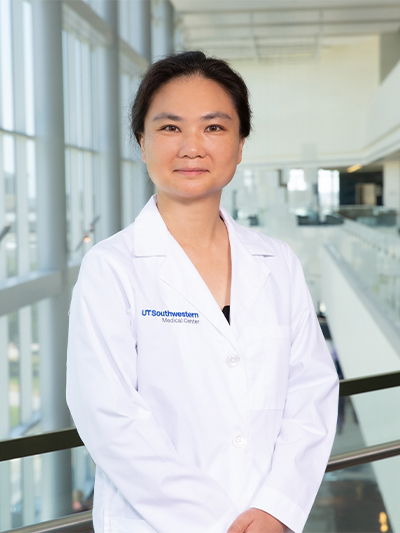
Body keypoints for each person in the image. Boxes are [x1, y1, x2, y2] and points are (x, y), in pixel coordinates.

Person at [66, 51, 339, 533]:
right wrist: (216, 522)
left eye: (214, 127)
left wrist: (278, 506)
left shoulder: (278, 262)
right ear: (142, 142)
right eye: (170, 128)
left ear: (239, 145)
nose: (192, 147)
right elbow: (109, 418)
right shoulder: (110, 268)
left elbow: (312, 392)